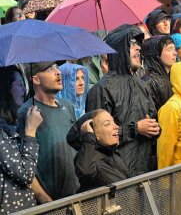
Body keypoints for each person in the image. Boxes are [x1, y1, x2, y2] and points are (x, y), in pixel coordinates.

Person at [86, 24, 159, 177]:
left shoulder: (142, 85)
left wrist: (155, 129)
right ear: (119, 49)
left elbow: (152, 120)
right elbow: (97, 137)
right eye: (132, 44)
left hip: (144, 170)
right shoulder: (101, 89)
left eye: (138, 44)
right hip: (115, 175)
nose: (138, 48)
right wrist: (136, 129)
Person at [18, 62, 79, 202]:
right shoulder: (26, 113)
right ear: (36, 79)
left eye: (57, 67)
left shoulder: (67, 106)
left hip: (76, 193)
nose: (58, 72)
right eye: (50, 69)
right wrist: (45, 199)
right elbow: (24, 164)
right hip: (51, 201)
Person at [0, 66, 43, 214]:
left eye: (24, 85)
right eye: (19, 85)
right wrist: (30, 131)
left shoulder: (12, 125)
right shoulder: (1, 131)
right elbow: (25, 175)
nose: (24, 90)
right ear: (5, 89)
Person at [67, 110, 131, 192]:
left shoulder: (111, 153)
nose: (116, 127)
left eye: (113, 122)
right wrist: (89, 137)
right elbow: (85, 171)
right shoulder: (89, 159)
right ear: (94, 133)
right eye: (107, 124)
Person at [142, 36, 176, 111]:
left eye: (174, 49)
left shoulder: (172, 76)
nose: (175, 53)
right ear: (156, 53)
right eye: (169, 49)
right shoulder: (148, 82)